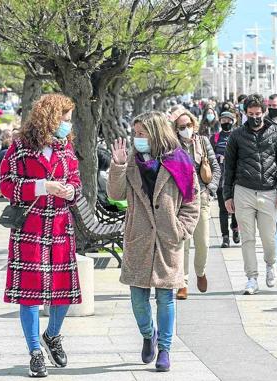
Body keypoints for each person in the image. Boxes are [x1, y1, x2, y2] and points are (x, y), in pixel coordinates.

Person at [108, 111, 200, 372]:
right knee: (138, 299)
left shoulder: (181, 162)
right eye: (135, 133)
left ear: (157, 134)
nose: (137, 138)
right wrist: (118, 165)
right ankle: (149, 334)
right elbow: (115, 194)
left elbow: (193, 202)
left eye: (142, 133)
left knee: (166, 297)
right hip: (139, 239)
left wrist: (181, 229)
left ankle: (165, 350)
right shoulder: (132, 163)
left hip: (167, 239)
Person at [0, 94, 82, 378]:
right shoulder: (20, 146)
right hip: (30, 228)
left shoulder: (66, 147)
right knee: (30, 294)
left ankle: (52, 335)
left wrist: (70, 191)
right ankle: (35, 351)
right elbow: (6, 184)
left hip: (59, 226)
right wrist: (42, 186)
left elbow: (76, 182)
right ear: (50, 118)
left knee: (64, 292)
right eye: (64, 119)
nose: (67, 125)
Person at [223, 93, 277, 295]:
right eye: (251, 113)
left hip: (269, 190)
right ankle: (251, 277)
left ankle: (271, 264)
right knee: (248, 238)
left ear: (265, 111)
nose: (255, 117)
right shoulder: (236, 135)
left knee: (269, 237)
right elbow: (229, 167)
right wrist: (227, 195)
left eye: (258, 113)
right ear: (245, 113)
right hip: (243, 190)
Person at [170, 108, 220, 300]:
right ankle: (182, 283)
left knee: (203, 243)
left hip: (202, 199)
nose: (186, 129)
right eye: (182, 127)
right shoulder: (172, 146)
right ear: (176, 129)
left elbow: (215, 168)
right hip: (181, 202)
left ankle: (200, 271)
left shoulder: (203, 141)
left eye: (189, 125)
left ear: (194, 124)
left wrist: (210, 189)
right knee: (183, 243)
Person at [212, 111, 240, 248]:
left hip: (237, 179)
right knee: (223, 208)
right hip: (221, 179)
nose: (226, 122)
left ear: (233, 121)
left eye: (229, 120)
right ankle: (225, 237)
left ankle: (235, 228)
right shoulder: (215, 138)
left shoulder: (239, 136)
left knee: (236, 207)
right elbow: (209, 158)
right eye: (223, 120)